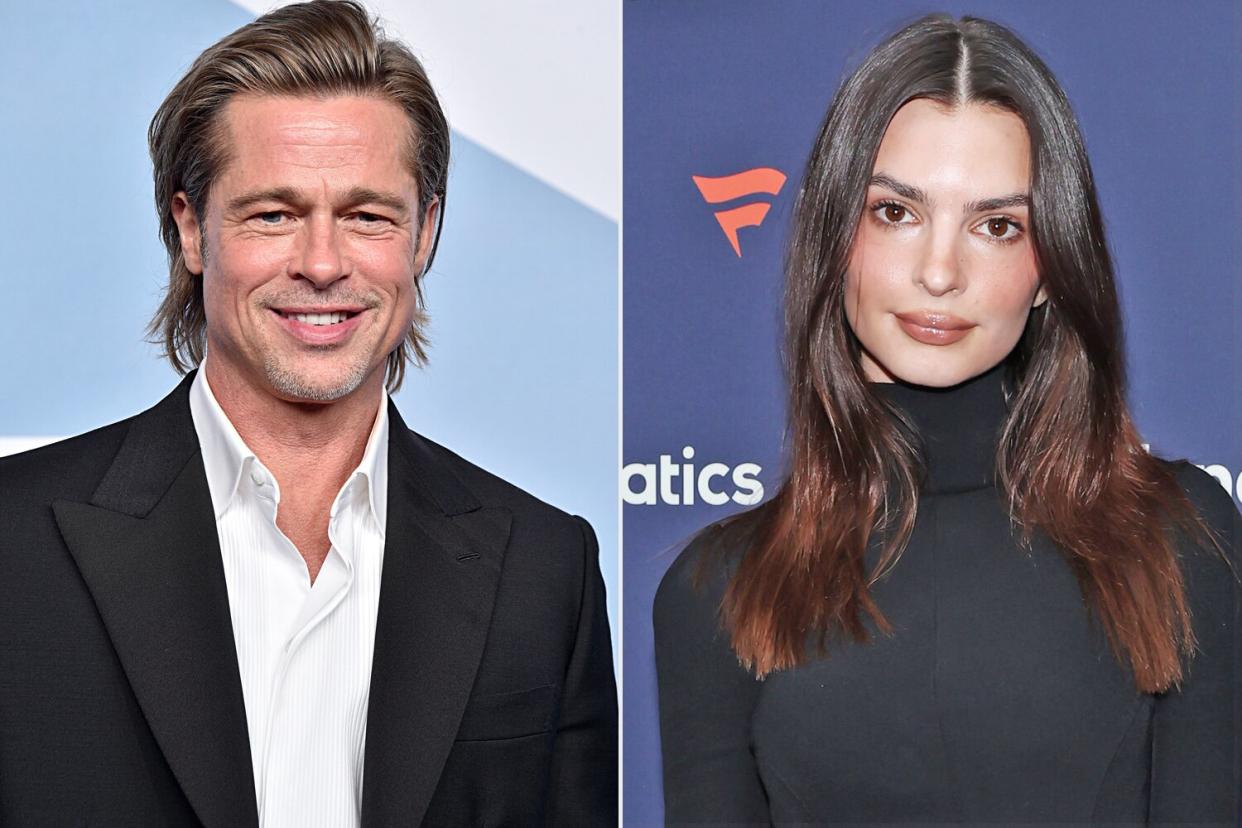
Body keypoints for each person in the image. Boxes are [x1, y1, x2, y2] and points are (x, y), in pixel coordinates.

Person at [0, 2, 616, 825]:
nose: (323, 263)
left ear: (425, 232)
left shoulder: (545, 570)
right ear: (190, 228)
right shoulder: (14, 545)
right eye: (273, 214)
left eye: (367, 216)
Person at [654, 13, 1238, 825]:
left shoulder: (1181, 542)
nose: (939, 271)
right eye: (896, 212)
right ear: (835, 235)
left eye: (997, 226)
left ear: (1048, 269)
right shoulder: (717, 590)